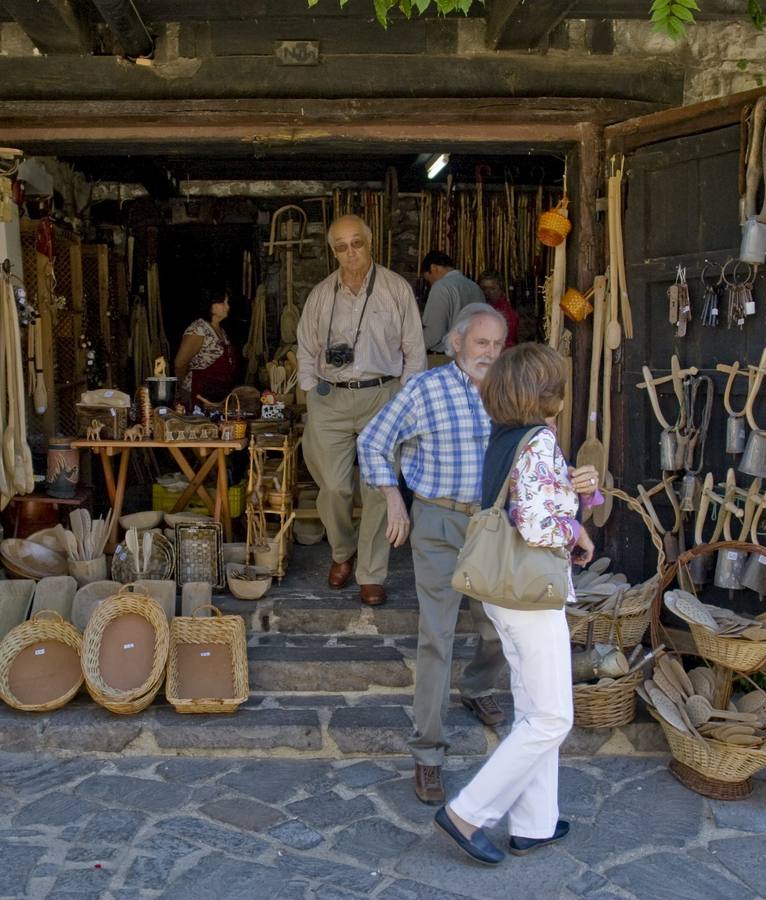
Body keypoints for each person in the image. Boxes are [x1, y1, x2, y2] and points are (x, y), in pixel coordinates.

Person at [434, 342, 601, 866]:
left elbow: (530, 504)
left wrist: (578, 500)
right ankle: (467, 813)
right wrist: (574, 522)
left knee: (533, 708)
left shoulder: (506, 438)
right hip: (530, 597)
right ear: (544, 394)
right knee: (552, 717)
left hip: (505, 595)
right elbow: (535, 521)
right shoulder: (540, 443)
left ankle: (534, 823)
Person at [358, 303, 512, 806]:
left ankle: (479, 684)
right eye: (481, 343)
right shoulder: (426, 389)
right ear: (459, 342)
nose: (489, 352)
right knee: (437, 637)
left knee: (495, 627)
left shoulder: (509, 388)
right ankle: (428, 754)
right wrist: (393, 497)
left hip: (492, 522)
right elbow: (373, 442)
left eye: (496, 344)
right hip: (438, 523)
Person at [298, 214, 425, 607]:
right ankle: (343, 552)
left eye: (357, 243)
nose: (350, 252)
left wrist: (404, 402)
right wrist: (309, 393)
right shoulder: (321, 294)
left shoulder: (395, 289)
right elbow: (304, 346)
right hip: (330, 398)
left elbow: (414, 352)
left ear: (370, 242)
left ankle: (371, 573)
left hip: (381, 396)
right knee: (333, 486)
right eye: (341, 246)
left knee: (377, 489)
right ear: (332, 250)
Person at [172, 285, 237, 404]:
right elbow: (179, 363)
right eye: (223, 302)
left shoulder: (222, 331)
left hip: (219, 396)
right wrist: (183, 388)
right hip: (199, 395)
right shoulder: (198, 330)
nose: (227, 306)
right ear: (211, 305)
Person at [420, 251, 485, 354]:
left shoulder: (440, 287)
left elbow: (434, 333)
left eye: (429, 280)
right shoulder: (475, 287)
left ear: (433, 268)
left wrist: (412, 348)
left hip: (446, 356)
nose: (431, 284)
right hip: (472, 354)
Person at [478, 272, 519, 347]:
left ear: (501, 290)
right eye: (483, 289)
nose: (487, 292)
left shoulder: (508, 313)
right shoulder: (478, 309)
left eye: (492, 288)